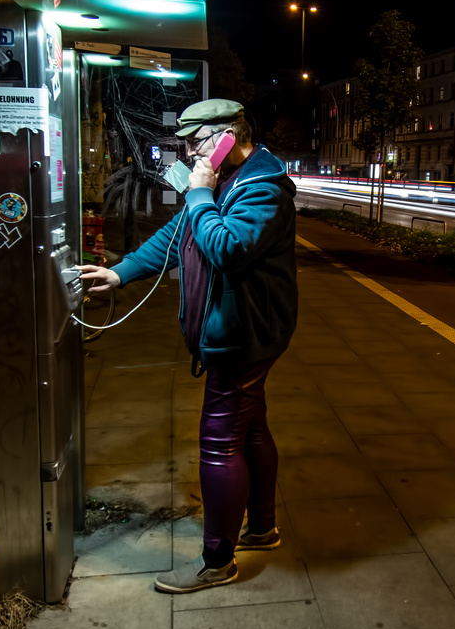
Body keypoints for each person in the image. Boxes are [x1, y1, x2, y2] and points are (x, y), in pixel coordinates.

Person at [77, 99, 298, 594]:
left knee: (219, 446)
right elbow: (178, 237)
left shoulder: (264, 188)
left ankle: (216, 563)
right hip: (245, 330)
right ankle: (261, 527)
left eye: (197, 142)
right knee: (252, 426)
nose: (190, 152)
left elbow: (226, 248)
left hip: (243, 336)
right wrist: (121, 272)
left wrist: (198, 193)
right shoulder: (229, 180)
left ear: (227, 137)